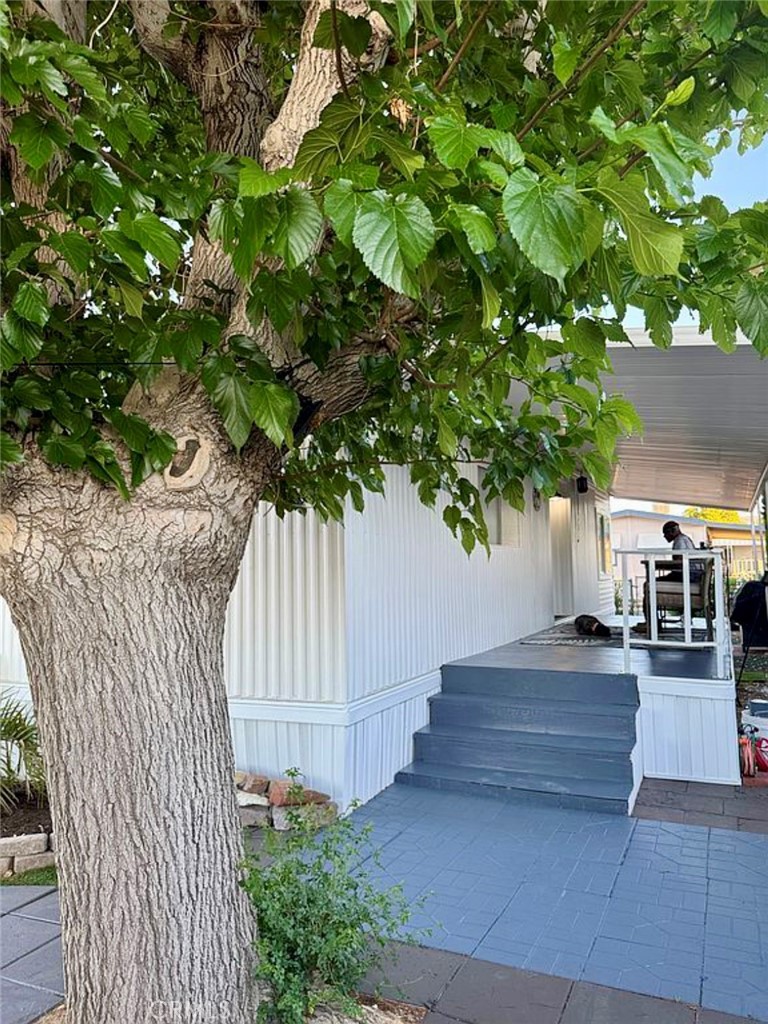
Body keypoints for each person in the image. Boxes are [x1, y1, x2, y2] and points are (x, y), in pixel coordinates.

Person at [633, 521, 704, 634]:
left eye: (666, 533)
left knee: (648, 585)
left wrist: (660, 565)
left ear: (673, 531)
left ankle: (651, 623)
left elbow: (679, 563)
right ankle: (652, 622)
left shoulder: (680, 541)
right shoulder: (685, 539)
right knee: (651, 583)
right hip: (691, 576)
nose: (665, 536)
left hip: (686, 577)